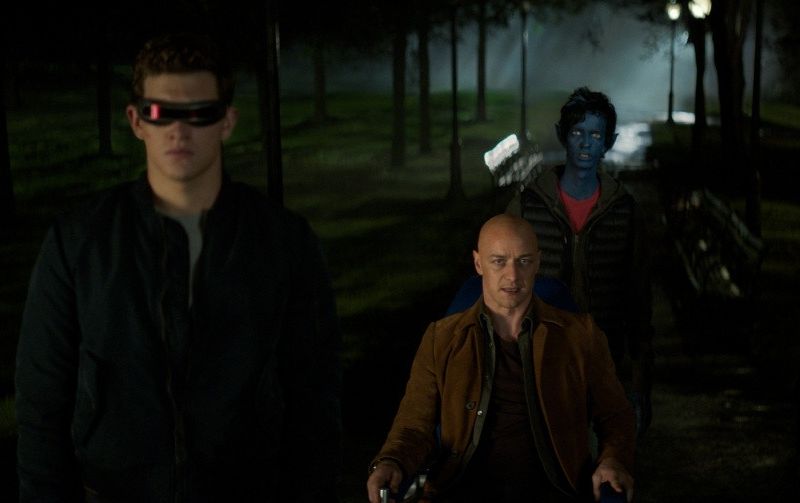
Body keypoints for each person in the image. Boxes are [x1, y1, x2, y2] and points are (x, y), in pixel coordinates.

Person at [15, 33, 342, 502]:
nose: (178, 130)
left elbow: (316, 398)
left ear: (226, 121)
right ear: (137, 121)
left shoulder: (284, 242)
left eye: (199, 113)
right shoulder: (78, 241)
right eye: (160, 111)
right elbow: (41, 401)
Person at [366, 214, 635, 503]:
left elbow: (616, 415)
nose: (513, 276)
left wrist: (613, 459)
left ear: (538, 262)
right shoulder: (440, 339)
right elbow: (413, 426)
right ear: (478, 263)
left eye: (524, 261)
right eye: (499, 261)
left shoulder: (580, 335)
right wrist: (391, 461)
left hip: (554, 491)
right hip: (460, 492)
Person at [506, 87, 654, 436]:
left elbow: (638, 300)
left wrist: (640, 383)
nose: (586, 144)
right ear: (563, 135)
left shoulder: (625, 212)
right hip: (538, 366)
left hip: (603, 365)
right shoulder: (527, 206)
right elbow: (501, 293)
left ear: (608, 143)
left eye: (595, 135)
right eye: (577, 133)